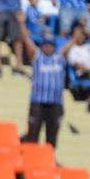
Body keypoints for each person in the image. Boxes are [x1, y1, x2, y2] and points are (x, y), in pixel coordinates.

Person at [18, 16, 67, 147]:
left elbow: (73, 41)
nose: (47, 47)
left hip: (55, 102)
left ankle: (49, 157)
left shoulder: (59, 57)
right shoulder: (37, 55)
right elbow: (26, 39)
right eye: (45, 44)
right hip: (38, 101)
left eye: (50, 45)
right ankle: (31, 156)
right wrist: (21, 23)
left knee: (52, 136)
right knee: (33, 134)